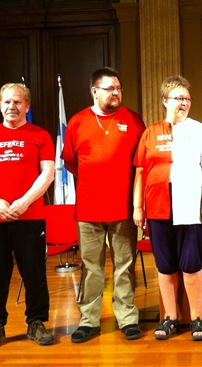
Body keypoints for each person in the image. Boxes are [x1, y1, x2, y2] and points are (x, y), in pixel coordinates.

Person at [61, 67, 146, 343]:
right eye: (110, 88)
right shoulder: (77, 121)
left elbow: (142, 162)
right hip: (88, 209)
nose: (116, 93)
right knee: (91, 266)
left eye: (119, 88)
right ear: (94, 91)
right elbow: (71, 162)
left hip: (123, 208)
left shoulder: (133, 120)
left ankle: (127, 318)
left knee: (125, 264)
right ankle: (89, 320)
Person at [133, 75, 202, 341]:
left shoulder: (199, 130)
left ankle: (197, 318)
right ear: (164, 101)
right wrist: (138, 208)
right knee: (165, 266)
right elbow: (140, 172)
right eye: (178, 98)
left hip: (189, 207)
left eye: (187, 99)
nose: (183, 103)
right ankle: (170, 317)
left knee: (191, 265)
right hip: (157, 208)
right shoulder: (151, 132)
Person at [0, 83, 55, 351]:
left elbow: (48, 173)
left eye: (18, 102)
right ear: (0, 105)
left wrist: (23, 202)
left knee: (34, 272)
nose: (12, 106)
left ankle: (36, 322)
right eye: (7, 102)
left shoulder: (40, 135)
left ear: (27, 106)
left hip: (30, 217)